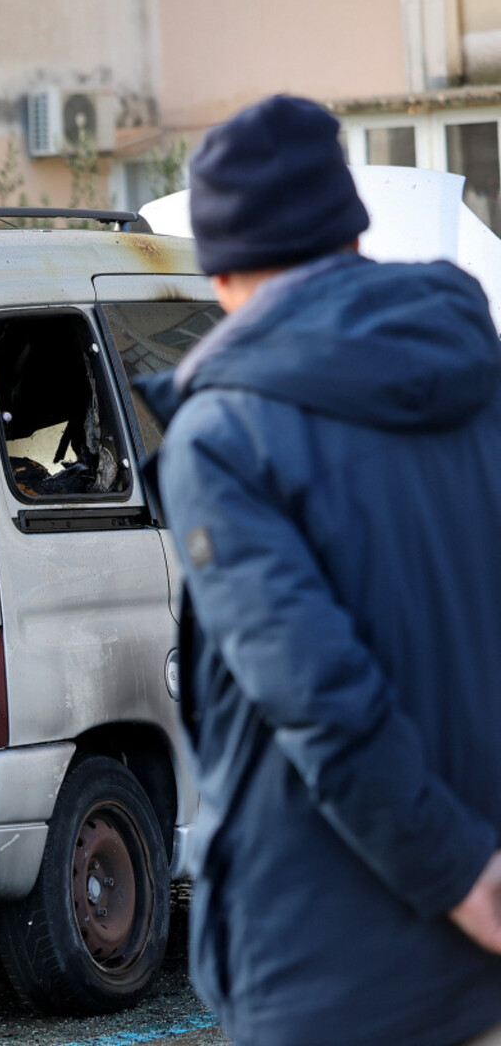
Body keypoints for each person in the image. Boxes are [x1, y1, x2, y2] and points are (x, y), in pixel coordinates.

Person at [138, 95, 501, 1046]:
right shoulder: (477, 373)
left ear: (219, 269)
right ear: (351, 228)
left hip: (330, 963)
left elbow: (319, 698)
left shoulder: (222, 436)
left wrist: (459, 875)